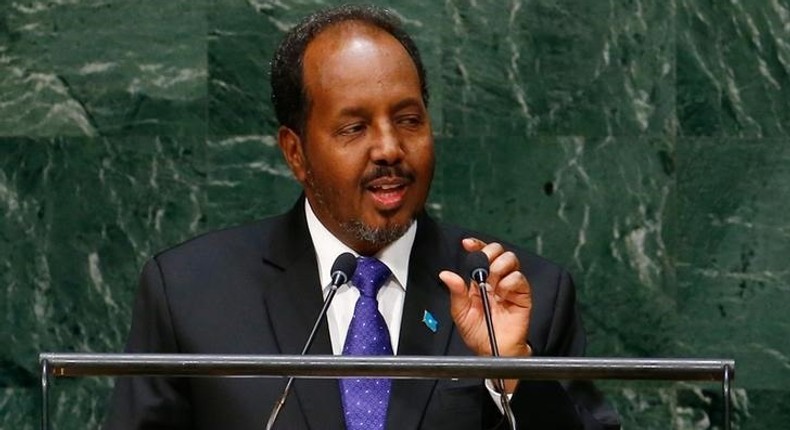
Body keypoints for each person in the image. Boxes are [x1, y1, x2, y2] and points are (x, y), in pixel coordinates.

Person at [103, 4, 618, 430]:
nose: (390, 148)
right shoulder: (190, 294)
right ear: (296, 152)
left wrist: (514, 378)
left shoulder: (522, 294)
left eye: (409, 120)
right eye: (354, 128)